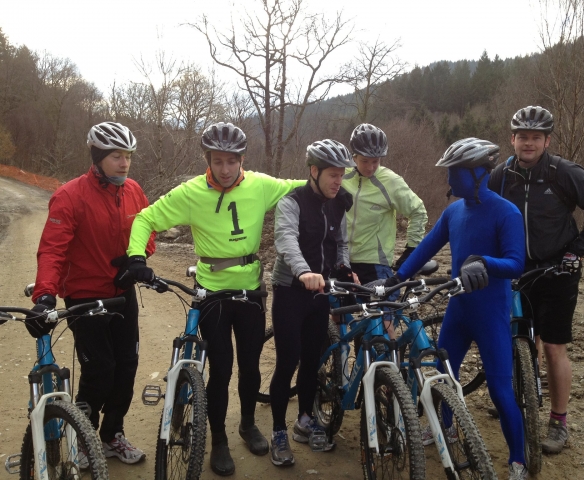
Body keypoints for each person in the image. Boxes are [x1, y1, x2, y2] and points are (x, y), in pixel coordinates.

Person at [123, 122, 305, 476]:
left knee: (251, 366)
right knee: (221, 369)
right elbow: (146, 219)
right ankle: (219, 439)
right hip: (212, 292)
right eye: (217, 161)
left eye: (231, 162)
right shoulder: (191, 193)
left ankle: (248, 424)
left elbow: (305, 188)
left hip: (251, 289)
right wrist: (136, 257)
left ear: (241, 160)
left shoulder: (261, 185)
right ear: (208, 159)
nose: (224, 169)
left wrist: (348, 178)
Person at [378, 137, 529, 479]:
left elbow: (516, 263)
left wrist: (485, 263)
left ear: (477, 172)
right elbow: (427, 247)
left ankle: (517, 460)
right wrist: (396, 277)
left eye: (454, 173)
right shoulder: (454, 211)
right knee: (443, 375)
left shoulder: (505, 211)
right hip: (459, 311)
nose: (448, 181)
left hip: (491, 313)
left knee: (500, 390)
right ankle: (443, 429)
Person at [488, 106, 584, 455]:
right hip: (518, 269)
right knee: (523, 338)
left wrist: (576, 251)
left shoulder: (564, 173)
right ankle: (522, 392)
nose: (528, 143)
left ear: (547, 140)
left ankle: (559, 421)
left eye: (536, 137)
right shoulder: (501, 175)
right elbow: (483, 210)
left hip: (559, 270)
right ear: (512, 139)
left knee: (555, 345)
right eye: (522, 136)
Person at [29, 121, 155, 464]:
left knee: (126, 366)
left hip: (122, 293)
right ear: (98, 157)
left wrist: (137, 258)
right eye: (116, 156)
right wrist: (44, 296)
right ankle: (83, 437)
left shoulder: (134, 191)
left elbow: (149, 232)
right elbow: (52, 251)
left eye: (128, 156)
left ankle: (113, 434)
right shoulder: (70, 195)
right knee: (100, 368)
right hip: (84, 295)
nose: (125, 163)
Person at [268, 139, 354, 466]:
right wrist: (304, 271)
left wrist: (344, 268)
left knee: (311, 361)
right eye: (332, 174)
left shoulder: (338, 202)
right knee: (287, 361)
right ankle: (278, 430)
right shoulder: (292, 202)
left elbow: (341, 242)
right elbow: (286, 241)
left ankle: (304, 419)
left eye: (342, 175)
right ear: (314, 171)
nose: (338, 181)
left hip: (321, 291)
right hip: (291, 289)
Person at [342, 123, 427, 333]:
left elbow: (418, 211)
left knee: (382, 323)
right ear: (353, 156)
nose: (371, 167)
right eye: (365, 161)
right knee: (341, 318)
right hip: (343, 260)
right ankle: (340, 361)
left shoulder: (390, 181)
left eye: (376, 161)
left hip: (375, 262)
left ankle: (386, 363)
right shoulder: (342, 177)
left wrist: (412, 248)